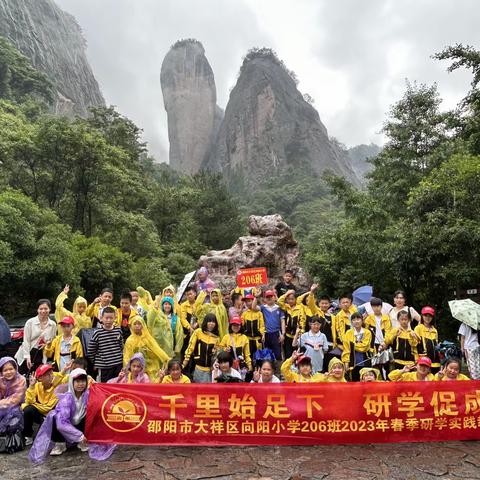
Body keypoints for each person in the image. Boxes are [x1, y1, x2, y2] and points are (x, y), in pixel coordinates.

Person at [29, 368, 115, 464]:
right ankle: (60, 442)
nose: (80, 384)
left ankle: (83, 441)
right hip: (67, 427)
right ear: (71, 382)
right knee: (54, 416)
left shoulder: (89, 395)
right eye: (77, 381)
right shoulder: (66, 399)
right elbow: (62, 424)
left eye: (83, 381)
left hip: (81, 424)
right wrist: (80, 436)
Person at [22, 363, 68, 446]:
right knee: (28, 410)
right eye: (47, 374)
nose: (51, 376)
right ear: (40, 378)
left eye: (51, 373)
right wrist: (31, 386)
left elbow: (60, 377)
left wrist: (64, 370)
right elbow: (29, 401)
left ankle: (58, 441)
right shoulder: (37, 386)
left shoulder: (57, 384)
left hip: (52, 413)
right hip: (41, 413)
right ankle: (27, 436)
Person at [15, 299, 57, 374]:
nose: (43, 311)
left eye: (46, 308)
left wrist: (46, 344)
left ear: (49, 309)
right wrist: (27, 357)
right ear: (37, 310)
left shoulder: (53, 324)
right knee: (25, 376)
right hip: (28, 352)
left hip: (42, 354)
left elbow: (53, 340)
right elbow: (26, 341)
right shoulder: (30, 322)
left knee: (39, 376)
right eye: (41, 309)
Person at [87, 307, 124, 382]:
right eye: (106, 318)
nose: (108, 320)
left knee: (118, 385)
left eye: (111, 318)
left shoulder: (118, 330)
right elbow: (91, 350)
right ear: (101, 318)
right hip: (104, 367)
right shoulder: (98, 333)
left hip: (118, 365)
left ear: (115, 318)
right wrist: (95, 362)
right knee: (105, 386)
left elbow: (121, 346)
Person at [182, 313, 219, 383]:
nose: (211, 324)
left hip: (210, 371)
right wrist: (184, 362)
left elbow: (216, 355)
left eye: (213, 322)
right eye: (209, 321)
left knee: (208, 392)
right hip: (198, 369)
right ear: (205, 322)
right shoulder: (198, 332)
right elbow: (190, 348)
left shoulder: (216, 338)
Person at [0, 357, 26, 453]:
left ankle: (11, 444)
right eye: (5, 370)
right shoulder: (0, 381)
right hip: (2, 408)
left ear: (16, 369)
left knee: (14, 415)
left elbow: (16, 399)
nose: (9, 372)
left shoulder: (21, 380)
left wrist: (1, 403)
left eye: (11, 369)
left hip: (17, 408)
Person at [364, 297, 392, 379]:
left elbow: (388, 331)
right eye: (374, 306)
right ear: (371, 307)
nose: (376, 308)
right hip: (374, 345)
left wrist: (385, 343)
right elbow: (366, 332)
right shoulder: (368, 318)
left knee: (387, 365)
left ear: (381, 306)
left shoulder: (386, 318)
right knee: (376, 366)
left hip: (385, 344)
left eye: (378, 306)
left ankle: (388, 383)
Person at [341, 312, 373, 381]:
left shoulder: (367, 332)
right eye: (354, 320)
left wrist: (352, 345)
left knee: (366, 380)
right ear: (351, 322)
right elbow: (346, 349)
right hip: (353, 362)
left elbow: (364, 347)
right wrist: (346, 362)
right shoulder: (348, 333)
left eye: (358, 319)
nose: (356, 321)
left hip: (365, 360)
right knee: (354, 381)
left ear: (362, 320)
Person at [259, 290, 285, 368]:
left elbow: (282, 321)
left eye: (271, 296)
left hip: (277, 333)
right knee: (267, 354)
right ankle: (268, 370)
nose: (269, 298)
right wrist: (256, 296)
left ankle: (278, 372)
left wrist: (283, 334)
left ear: (274, 297)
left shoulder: (279, 308)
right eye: (267, 297)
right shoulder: (263, 307)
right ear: (265, 299)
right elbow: (253, 307)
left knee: (278, 354)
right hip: (266, 333)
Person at [278, 289, 305, 359]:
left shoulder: (300, 307)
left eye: (292, 299)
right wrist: (287, 293)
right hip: (288, 336)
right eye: (289, 299)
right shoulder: (286, 307)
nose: (290, 301)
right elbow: (279, 301)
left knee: (297, 355)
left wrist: (301, 331)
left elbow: (302, 320)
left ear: (295, 299)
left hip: (297, 336)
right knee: (288, 355)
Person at [414, 306, 441, 374]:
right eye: (425, 315)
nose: (427, 317)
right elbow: (414, 345)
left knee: (435, 381)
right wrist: (416, 359)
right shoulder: (418, 328)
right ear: (422, 316)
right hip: (424, 361)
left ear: (432, 317)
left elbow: (436, 346)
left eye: (430, 316)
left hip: (436, 362)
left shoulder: (435, 330)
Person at [241, 294, 265, 361]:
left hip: (257, 339)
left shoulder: (259, 313)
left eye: (249, 301)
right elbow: (242, 325)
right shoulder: (244, 313)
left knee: (259, 357)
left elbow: (262, 325)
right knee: (248, 356)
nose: (247, 303)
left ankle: (258, 370)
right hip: (248, 339)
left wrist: (262, 334)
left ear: (253, 301)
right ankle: (250, 370)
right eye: (246, 302)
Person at [179, 287, 198, 363]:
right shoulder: (183, 305)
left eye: (190, 294)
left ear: (195, 294)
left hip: (197, 331)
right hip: (186, 333)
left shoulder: (198, 304)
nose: (189, 296)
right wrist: (189, 327)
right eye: (187, 295)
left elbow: (201, 316)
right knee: (185, 350)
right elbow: (183, 319)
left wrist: (197, 324)